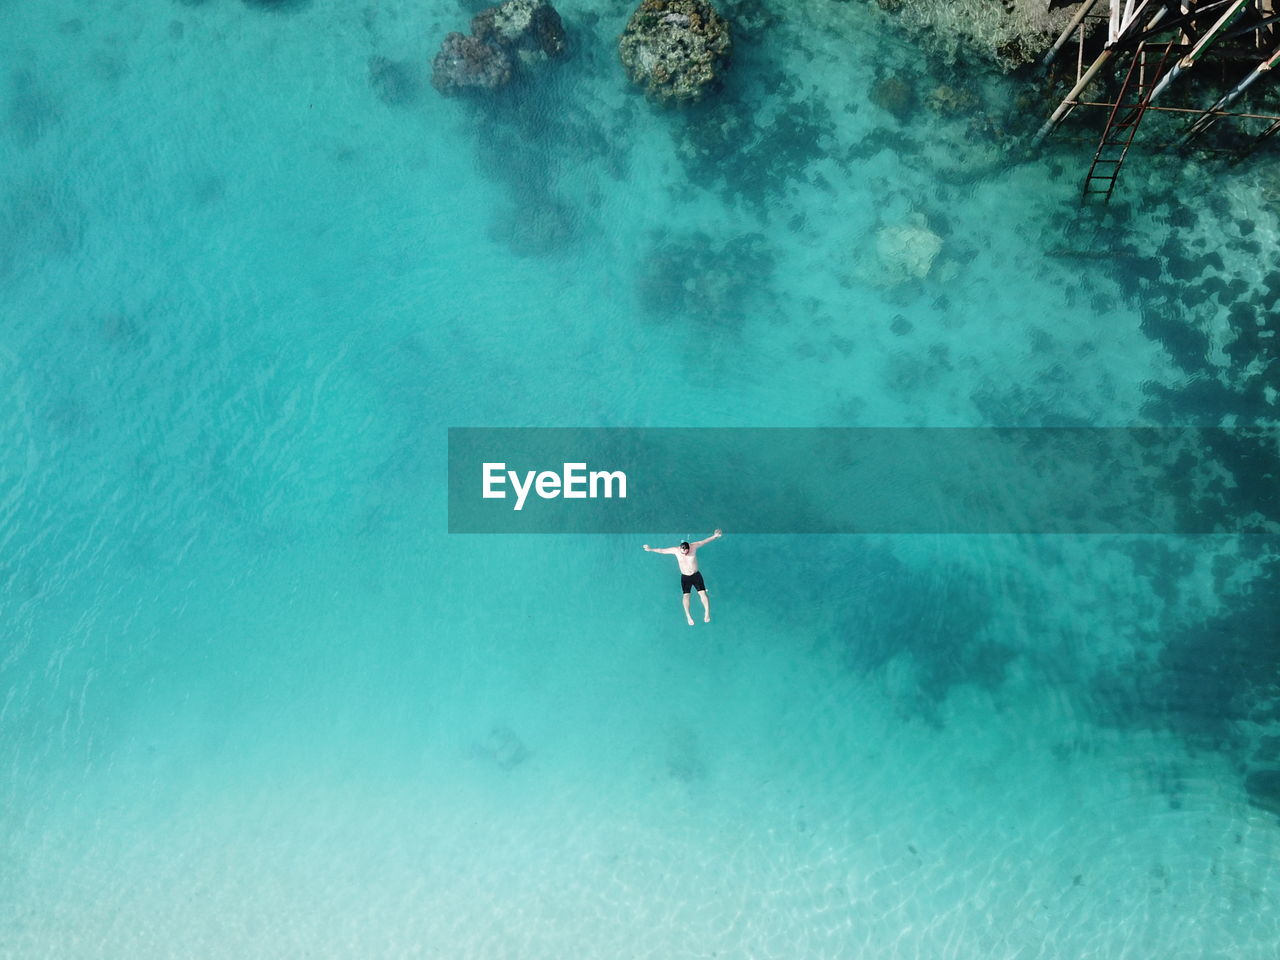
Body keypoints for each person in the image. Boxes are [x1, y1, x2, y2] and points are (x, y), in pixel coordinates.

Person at [643, 530, 722, 625]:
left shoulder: (693, 546)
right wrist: (650, 549)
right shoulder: (675, 550)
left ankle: (707, 613)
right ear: (680, 548)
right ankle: (688, 616)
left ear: (688, 548)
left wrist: (714, 536)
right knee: (686, 595)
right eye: (682, 551)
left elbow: (704, 541)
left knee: (703, 594)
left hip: (696, 575)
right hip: (685, 577)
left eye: (686, 551)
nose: (684, 553)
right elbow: (662, 550)